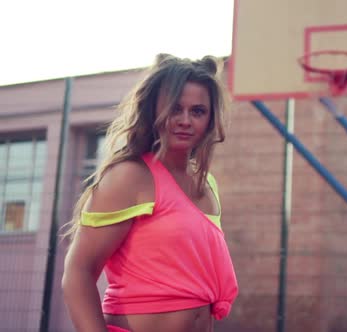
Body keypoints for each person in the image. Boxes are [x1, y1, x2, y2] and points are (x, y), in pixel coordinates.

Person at [61, 53, 238, 332]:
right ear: (154, 110)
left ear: (211, 118)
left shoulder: (207, 184)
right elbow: (78, 273)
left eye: (198, 111)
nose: (185, 120)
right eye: (175, 108)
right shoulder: (131, 176)